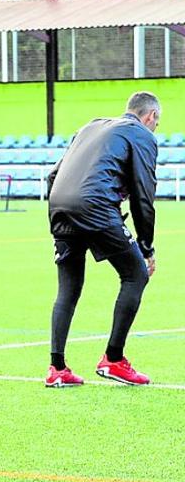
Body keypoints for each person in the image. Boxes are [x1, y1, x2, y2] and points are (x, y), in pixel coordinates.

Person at [44, 92, 160, 388]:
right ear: (151, 117)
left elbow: (52, 175)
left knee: (68, 287)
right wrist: (147, 249)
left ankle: (57, 368)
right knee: (135, 274)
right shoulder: (142, 135)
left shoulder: (91, 126)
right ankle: (114, 359)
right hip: (94, 205)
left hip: (59, 205)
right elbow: (143, 197)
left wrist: (61, 209)